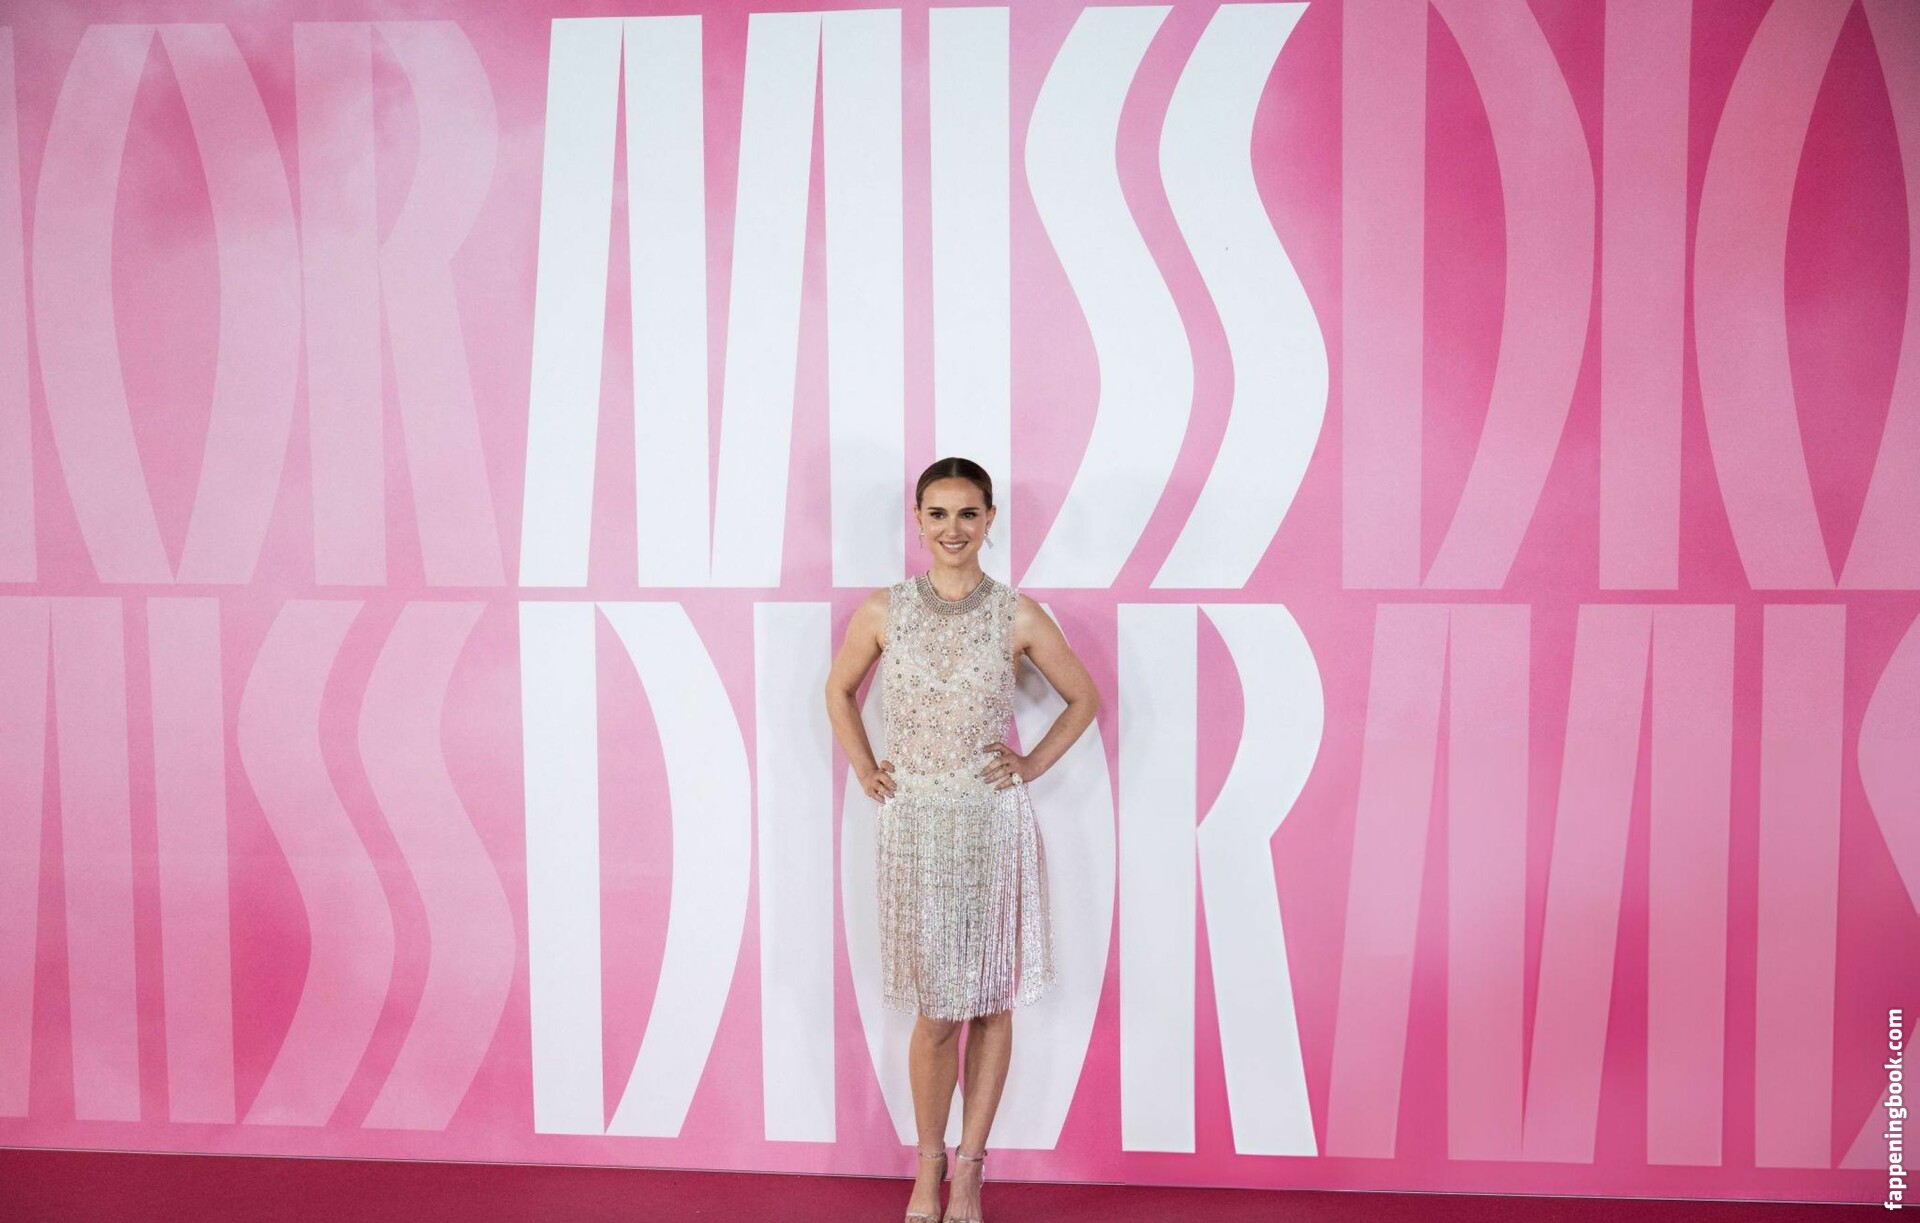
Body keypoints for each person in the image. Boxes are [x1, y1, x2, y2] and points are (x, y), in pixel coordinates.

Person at [825, 457, 1101, 1223]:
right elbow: (838, 689)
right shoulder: (883, 611)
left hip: (989, 823)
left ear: (989, 520)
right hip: (914, 826)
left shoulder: (1017, 614)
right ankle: (928, 1166)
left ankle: (971, 1172)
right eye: (939, 513)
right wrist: (865, 766)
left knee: (988, 1001)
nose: (953, 528)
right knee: (937, 1008)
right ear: (918, 520)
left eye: (968, 513)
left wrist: (1029, 764)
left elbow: (1083, 698)